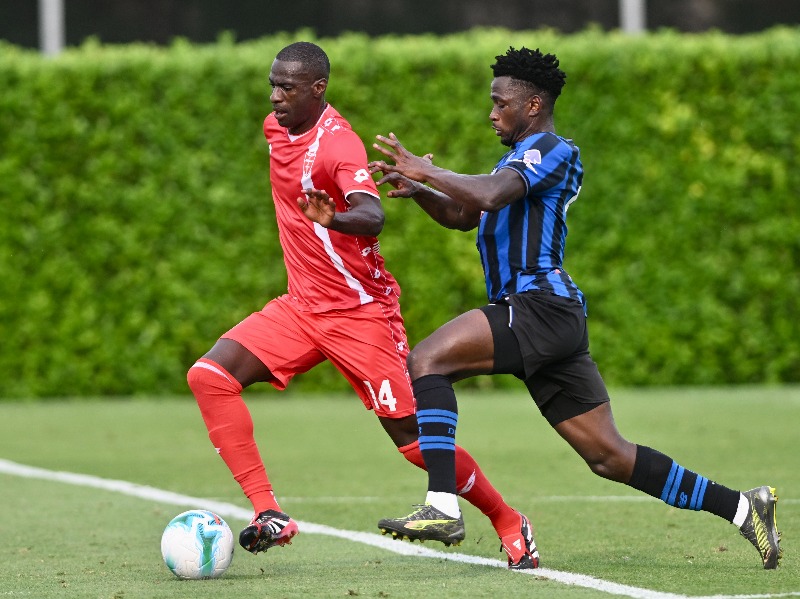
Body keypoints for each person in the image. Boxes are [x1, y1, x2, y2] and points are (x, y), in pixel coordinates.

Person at [369, 46, 782, 570]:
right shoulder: (516, 159)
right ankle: (744, 507)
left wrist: (429, 171)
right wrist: (419, 189)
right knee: (609, 457)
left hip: (540, 305)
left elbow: (490, 195)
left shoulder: (552, 149)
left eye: (500, 103)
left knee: (428, 359)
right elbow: (465, 214)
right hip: (544, 317)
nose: (492, 113)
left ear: (533, 104)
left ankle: (443, 505)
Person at [186, 41, 540, 570]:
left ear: (318, 89)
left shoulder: (338, 145)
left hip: (359, 313)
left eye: (287, 87)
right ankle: (269, 513)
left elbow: (372, 215)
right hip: (301, 308)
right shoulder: (275, 128)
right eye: (272, 85)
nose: (275, 96)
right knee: (210, 377)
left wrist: (332, 219)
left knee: (415, 441)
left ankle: (509, 520)